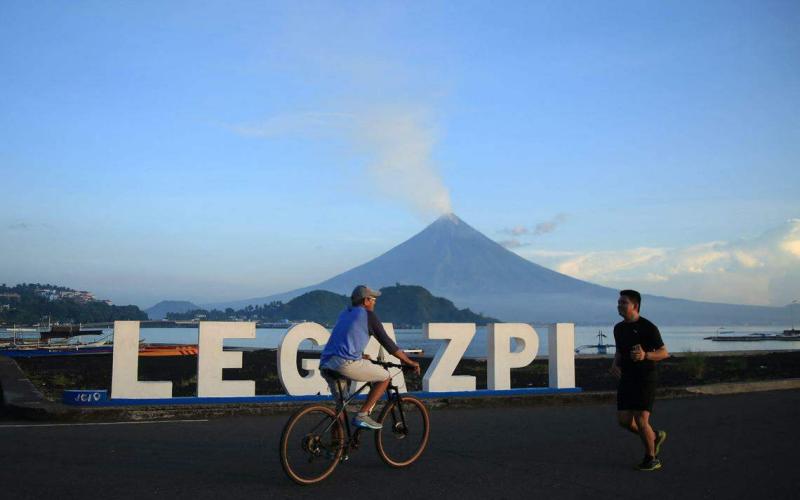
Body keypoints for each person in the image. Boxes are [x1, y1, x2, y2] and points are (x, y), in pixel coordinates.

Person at [319, 285, 421, 430]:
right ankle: (363, 414)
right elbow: (389, 345)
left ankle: (337, 448)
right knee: (385, 377)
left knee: (341, 406)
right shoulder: (368, 316)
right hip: (345, 363)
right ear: (366, 300)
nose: (375, 303)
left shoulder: (345, 313)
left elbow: (345, 339)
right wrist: (409, 362)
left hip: (326, 363)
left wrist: (360, 355)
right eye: (373, 299)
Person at [609, 289, 669, 471]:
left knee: (641, 419)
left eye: (623, 303)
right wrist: (614, 364)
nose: (619, 305)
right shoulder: (618, 328)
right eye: (618, 302)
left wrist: (645, 355)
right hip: (627, 377)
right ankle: (654, 436)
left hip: (645, 378)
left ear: (634, 306)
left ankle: (652, 458)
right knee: (624, 421)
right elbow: (620, 351)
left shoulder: (648, 327)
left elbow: (664, 352)